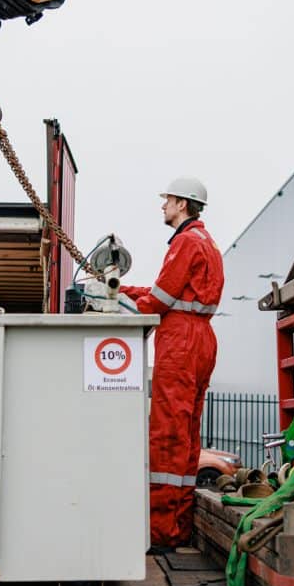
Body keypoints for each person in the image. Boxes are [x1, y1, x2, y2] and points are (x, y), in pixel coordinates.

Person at [119, 177, 225, 551]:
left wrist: (115, 303)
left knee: (167, 431)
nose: (162, 206)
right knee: (187, 433)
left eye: (167, 200)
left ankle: (160, 532)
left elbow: (159, 300)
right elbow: (170, 291)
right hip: (201, 340)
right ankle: (177, 527)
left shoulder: (183, 242)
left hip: (179, 340)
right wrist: (123, 288)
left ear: (183, 204)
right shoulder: (206, 243)